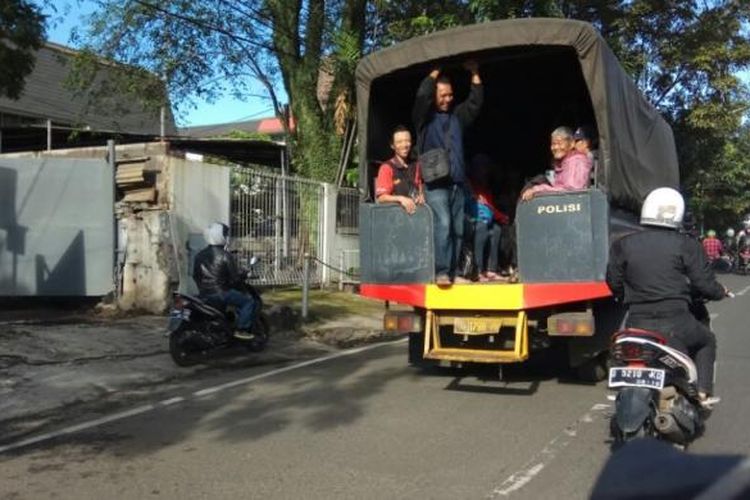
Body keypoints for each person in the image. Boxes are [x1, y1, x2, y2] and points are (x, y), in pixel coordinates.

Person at [606, 187, 728, 408]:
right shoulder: (687, 244)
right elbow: (704, 284)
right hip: (676, 321)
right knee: (707, 340)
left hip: (637, 321)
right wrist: (721, 292)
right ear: (677, 214)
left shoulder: (622, 244)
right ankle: (702, 392)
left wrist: (625, 296)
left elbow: (613, 282)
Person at [413, 61, 484, 285]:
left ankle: (452, 274)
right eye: (442, 95)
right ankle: (441, 271)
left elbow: (475, 103)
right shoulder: (424, 119)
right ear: (434, 96)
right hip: (435, 184)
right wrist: (435, 70)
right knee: (443, 224)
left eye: (450, 95)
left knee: (458, 229)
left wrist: (474, 72)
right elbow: (422, 95)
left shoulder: (457, 118)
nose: (447, 99)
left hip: (456, 183)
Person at [193, 222, 257, 339]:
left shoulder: (199, 255)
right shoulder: (225, 255)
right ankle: (241, 329)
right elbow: (235, 278)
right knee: (248, 302)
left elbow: (195, 276)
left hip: (204, 294)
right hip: (222, 293)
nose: (228, 237)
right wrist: (244, 275)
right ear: (219, 236)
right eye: (226, 234)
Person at [466, 154, 509, 281]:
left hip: (483, 219)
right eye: (480, 167)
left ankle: (491, 270)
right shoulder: (468, 185)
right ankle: (478, 270)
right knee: (481, 227)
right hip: (469, 219)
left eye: (485, 168)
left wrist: (503, 218)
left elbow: (490, 209)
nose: (483, 171)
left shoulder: (485, 189)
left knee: (496, 229)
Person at [521, 126, 593, 201]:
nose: (555, 147)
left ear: (571, 144)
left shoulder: (577, 161)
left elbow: (571, 191)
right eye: (553, 144)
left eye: (559, 143)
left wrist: (539, 189)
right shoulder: (563, 162)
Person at [375, 125, 424, 214]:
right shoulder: (386, 168)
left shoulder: (416, 165)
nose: (404, 145)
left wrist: (421, 196)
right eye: (399, 142)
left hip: (416, 216)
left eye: (407, 141)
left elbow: (419, 188)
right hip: (395, 217)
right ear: (392, 145)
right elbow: (381, 198)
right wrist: (401, 199)